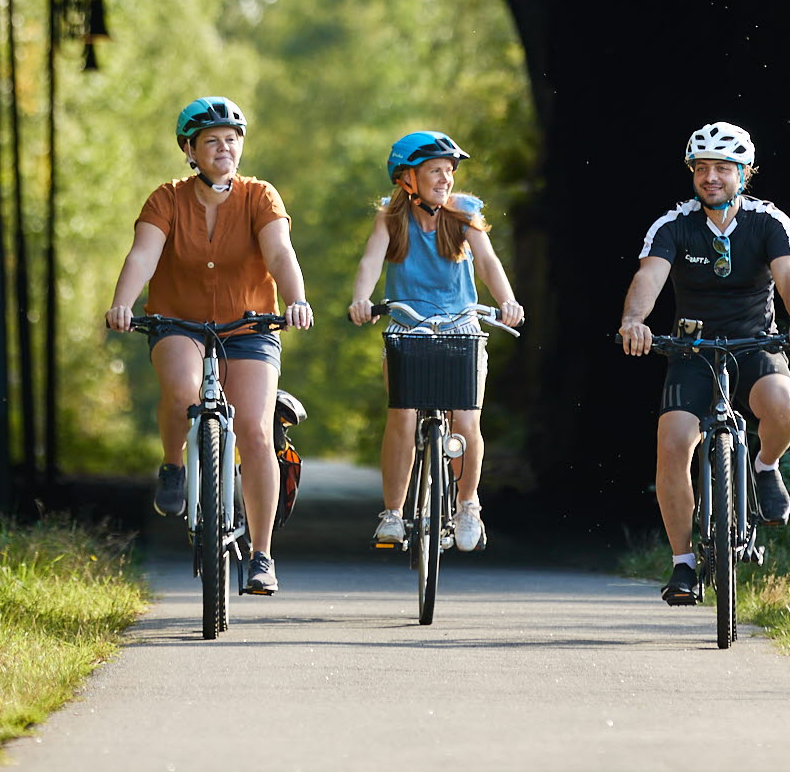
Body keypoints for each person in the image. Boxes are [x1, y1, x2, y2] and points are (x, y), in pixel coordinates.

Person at [103, 95, 315, 596]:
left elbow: (280, 252)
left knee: (257, 432)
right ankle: (174, 463)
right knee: (183, 391)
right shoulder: (166, 199)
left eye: (232, 140)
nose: (225, 149)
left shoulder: (261, 196)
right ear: (190, 151)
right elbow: (143, 254)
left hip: (250, 326)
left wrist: (297, 299)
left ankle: (261, 556)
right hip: (179, 321)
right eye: (212, 142)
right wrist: (122, 303)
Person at [614, 121, 790, 606]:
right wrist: (633, 321)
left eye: (723, 169)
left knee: (782, 407)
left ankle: (765, 465)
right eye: (702, 168)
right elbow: (650, 277)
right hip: (693, 350)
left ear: (744, 174)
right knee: (674, 443)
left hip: (755, 342)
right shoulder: (673, 225)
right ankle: (683, 564)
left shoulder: (770, 222)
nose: (712, 177)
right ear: (692, 173)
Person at [346, 130, 525, 552]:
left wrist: (507, 300)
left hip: (460, 326)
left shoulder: (463, 212)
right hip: (408, 326)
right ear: (408, 179)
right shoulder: (390, 219)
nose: (445, 179)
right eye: (435, 171)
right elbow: (371, 260)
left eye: (449, 171)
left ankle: (467, 506)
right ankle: (392, 514)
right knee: (403, 416)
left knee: (465, 419)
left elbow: (486, 260)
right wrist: (361, 300)